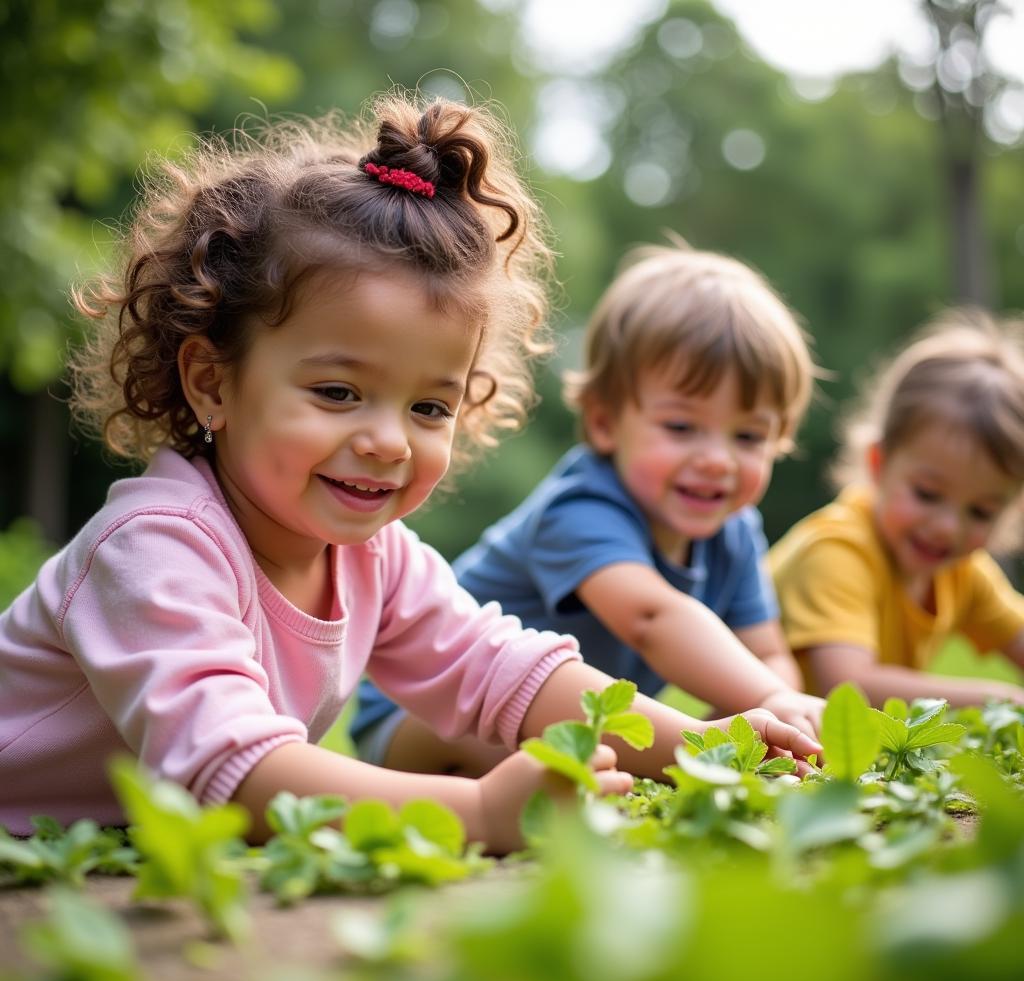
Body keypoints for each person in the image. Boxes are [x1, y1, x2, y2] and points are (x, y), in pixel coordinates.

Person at [0, 95, 820, 849]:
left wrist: (713, 749)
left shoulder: (375, 557)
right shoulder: (154, 548)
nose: (389, 441)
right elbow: (234, 773)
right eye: (337, 392)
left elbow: (505, 671)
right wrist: (475, 813)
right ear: (212, 381)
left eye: (430, 408)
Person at [352, 243, 826, 776]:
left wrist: (777, 707)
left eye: (747, 435)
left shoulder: (734, 531)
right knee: (568, 752)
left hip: (572, 715)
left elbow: (767, 654)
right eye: (680, 427)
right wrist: (766, 694)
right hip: (428, 713)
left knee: (601, 750)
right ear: (603, 422)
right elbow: (652, 619)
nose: (716, 460)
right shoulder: (579, 508)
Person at [769, 311, 1024, 708]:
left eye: (981, 512)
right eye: (927, 493)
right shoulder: (837, 551)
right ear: (878, 463)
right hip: (755, 746)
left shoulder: (963, 573)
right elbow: (848, 686)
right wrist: (1003, 700)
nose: (947, 527)